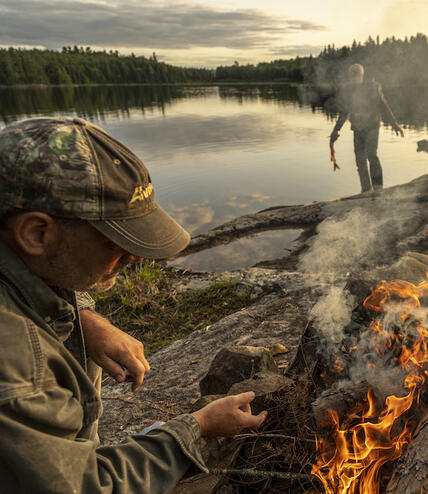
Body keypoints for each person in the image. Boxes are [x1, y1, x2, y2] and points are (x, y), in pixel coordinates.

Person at [0, 117, 267, 493]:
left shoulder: (24, 262)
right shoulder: (14, 361)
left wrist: (85, 319)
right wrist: (197, 426)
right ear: (36, 232)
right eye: (115, 240)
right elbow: (87, 487)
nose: (135, 257)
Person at [330, 63, 404, 192]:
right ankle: (366, 189)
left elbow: (383, 106)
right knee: (360, 159)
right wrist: (336, 130)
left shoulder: (373, 88)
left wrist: (394, 124)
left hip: (372, 126)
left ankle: (378, 188)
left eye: (356, 74)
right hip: (357, 128)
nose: (354, 77)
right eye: (351, 75)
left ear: (361, 75)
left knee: (371, 154)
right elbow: (344, 112)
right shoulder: (348, 91)